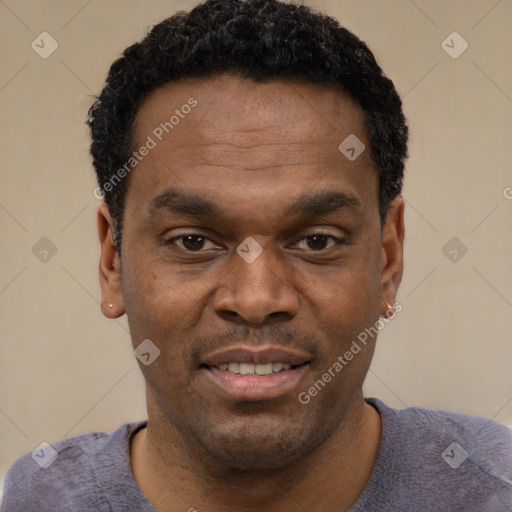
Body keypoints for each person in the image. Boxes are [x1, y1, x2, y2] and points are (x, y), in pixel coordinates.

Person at [2, 0, 511, 510]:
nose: (255, 298)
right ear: (112, 262)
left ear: (387, 259)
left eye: (317, 241)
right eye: (193, 241)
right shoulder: (32, 499)